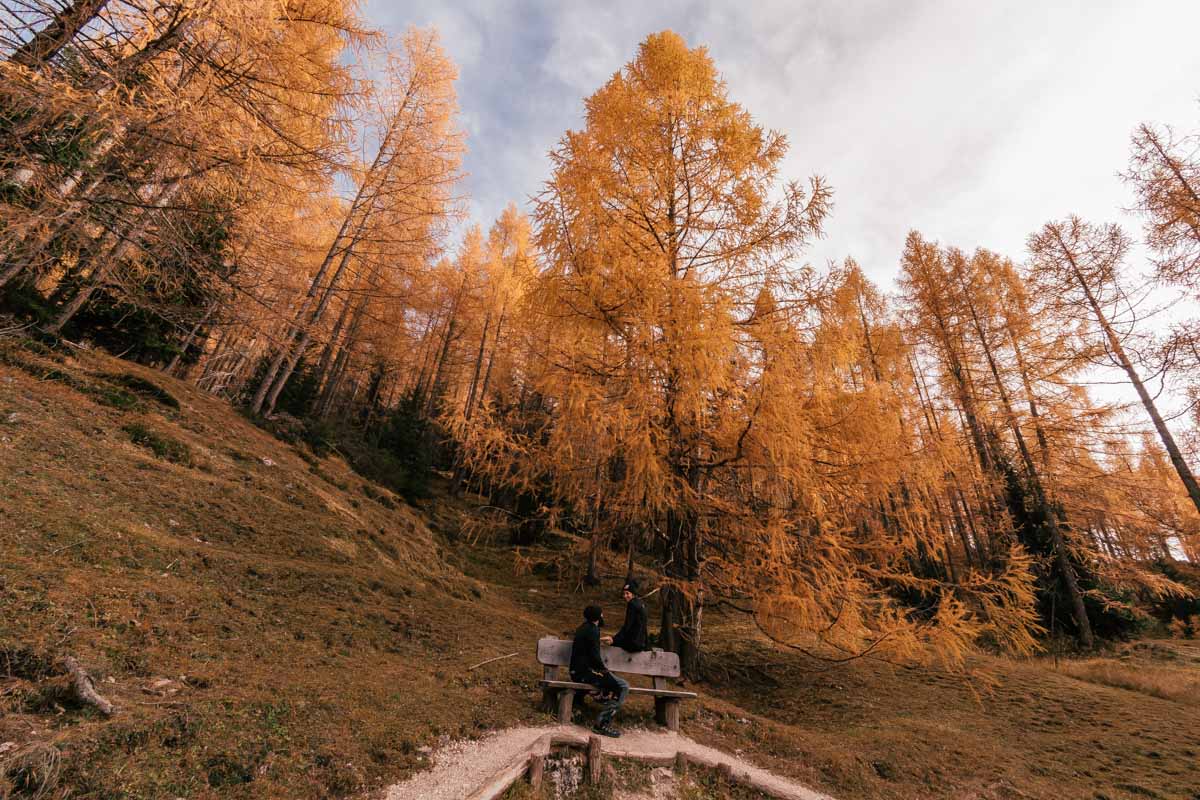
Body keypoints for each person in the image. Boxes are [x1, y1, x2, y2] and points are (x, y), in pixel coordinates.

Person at [569, 605, 628, 737]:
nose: (603, 617)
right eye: (601, 614)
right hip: (584, 672)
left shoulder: (584, 628)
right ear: (597, 617)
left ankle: (600, 699)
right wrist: (604, 671)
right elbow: (594, 657)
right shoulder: (593, 630)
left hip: (577, 671)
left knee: (612, 682)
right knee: (622, 686)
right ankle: (602, 724)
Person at [607, 578, 648, 652]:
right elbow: (643, 626)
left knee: (610, 646)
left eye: (627, 593)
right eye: (624, 593)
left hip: (633, 644)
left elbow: (627, 626)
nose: (625, 596)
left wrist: (614, 639)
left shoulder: (632, 604)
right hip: (641, 643)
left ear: (633, 593)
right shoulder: (641, 603)